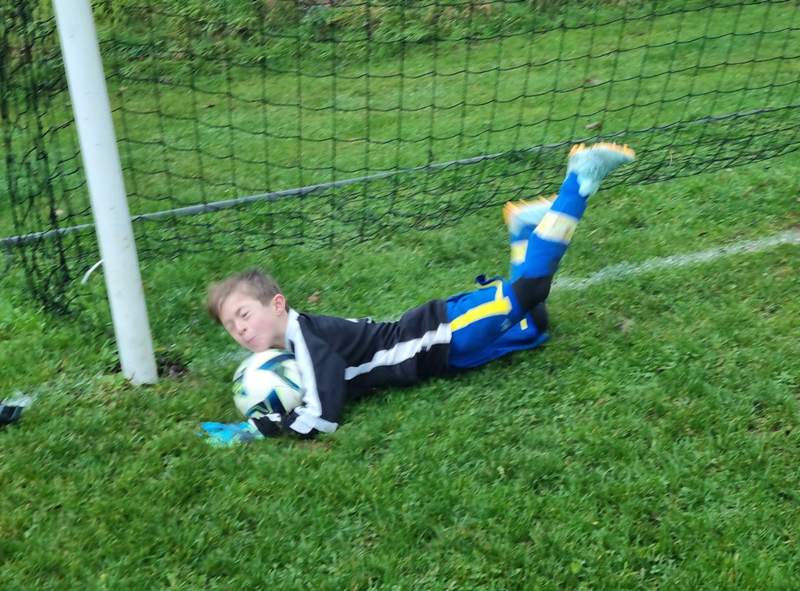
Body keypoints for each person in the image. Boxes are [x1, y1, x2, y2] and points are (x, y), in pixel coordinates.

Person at [199, 142, 635, 445]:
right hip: (443, 356)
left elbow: (322, 418)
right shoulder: (300, 343)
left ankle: (579, 180)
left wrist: (256, 431)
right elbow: (319, 396)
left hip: (440, 335)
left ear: (277, 304)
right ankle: (524, 230)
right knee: (535, 326)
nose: (240, 330)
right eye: (231, 326)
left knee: (532, 290)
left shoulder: (308, 341)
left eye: (243, 314)